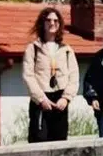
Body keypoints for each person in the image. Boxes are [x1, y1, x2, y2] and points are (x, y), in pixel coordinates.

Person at [22, 7, 79, 143]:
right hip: (41, 101)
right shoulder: (33, 48)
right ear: (43, 23)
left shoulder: (66, 50)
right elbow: (28, 75)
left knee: (59, 143)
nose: (52, 23)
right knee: (39, 141)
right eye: (48, 20)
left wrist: (66, 98)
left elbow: (74, 76)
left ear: (59, 24)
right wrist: (41, 99)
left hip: (60, 101)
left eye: (55, 20)